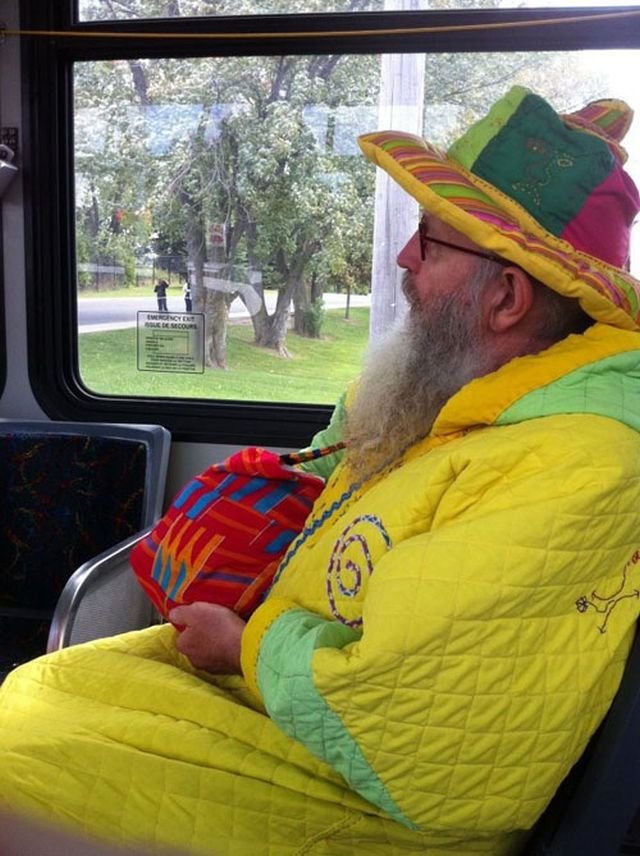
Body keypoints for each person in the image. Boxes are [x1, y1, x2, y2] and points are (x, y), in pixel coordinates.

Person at [2, 86, 640, 856]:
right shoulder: (462, 392)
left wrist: (242, 646)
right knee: (34, 693)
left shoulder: (577, 463)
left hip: (361, 791)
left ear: (506, 297)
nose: (404, 257)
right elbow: (346, 468)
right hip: (282, 709)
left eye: (431, 242)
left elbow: (417, 730)